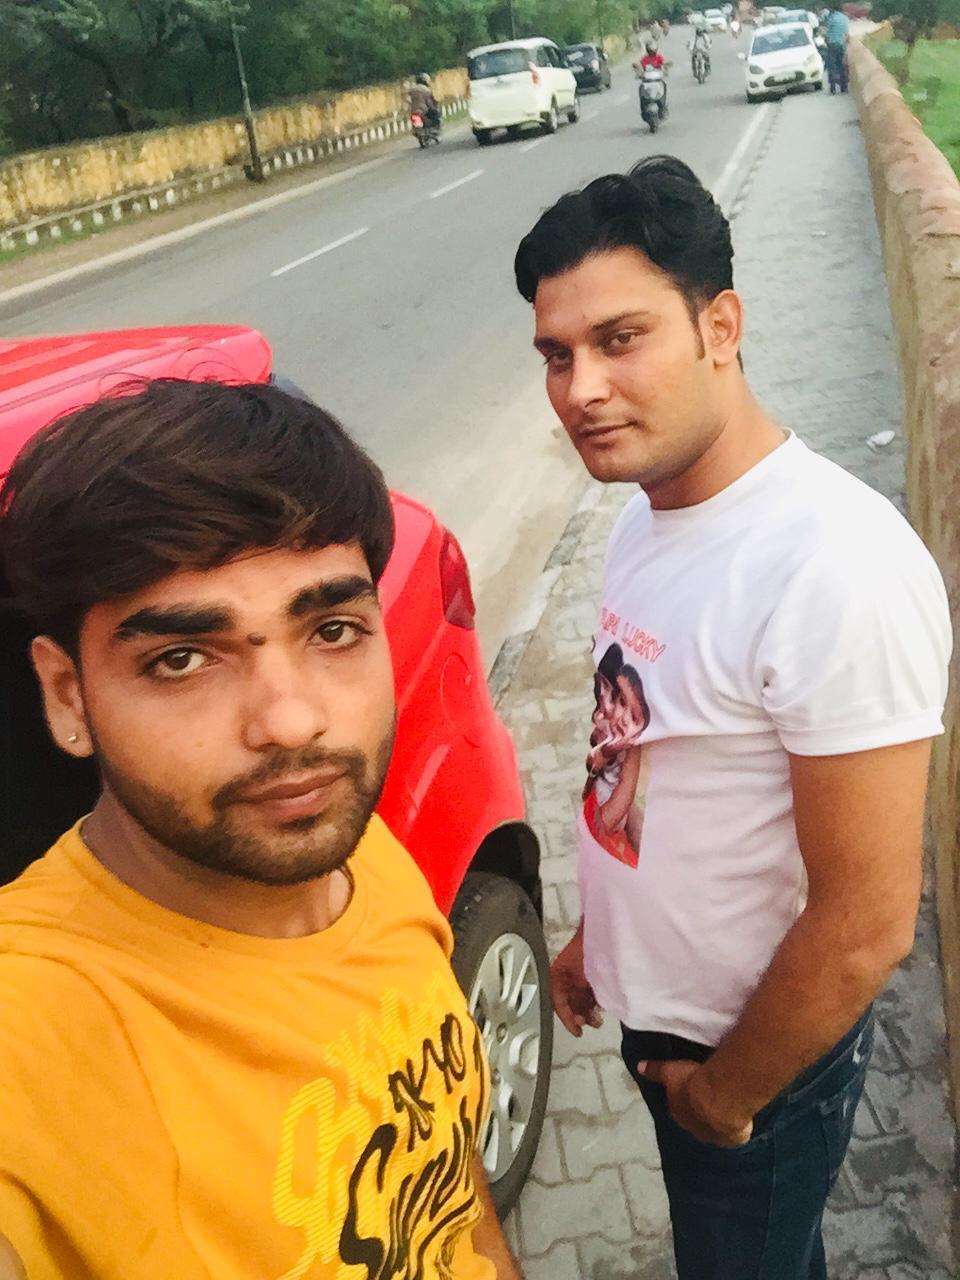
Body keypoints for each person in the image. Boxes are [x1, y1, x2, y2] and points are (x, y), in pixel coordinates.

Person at [513, 156, 951, 1280]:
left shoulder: (835, 566)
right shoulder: (644, 516)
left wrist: (724, 1095)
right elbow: (639, 750)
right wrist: (600, 938)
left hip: (755, 1055)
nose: (581, 389)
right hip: (666, 1018)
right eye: (557, 355)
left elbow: (867, 922)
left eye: (620, 339)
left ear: (722, 325)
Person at [0, 380, 520, 1280]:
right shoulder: (38, 1031)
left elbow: (445, 1177)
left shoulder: (362, 854)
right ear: (67, 695)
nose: (291, 722)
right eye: (181, 659)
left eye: (333, 630)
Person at [823, 0, 850, 92]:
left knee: (831, 66)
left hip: (832, 44)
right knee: (842, 65)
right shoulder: (845, 18)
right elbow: (846, 34)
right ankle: (844, 87)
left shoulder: (831, 18)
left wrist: (826, 41)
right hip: (841, 44)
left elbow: (827, 33)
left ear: (833, 10)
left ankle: (833, 87)